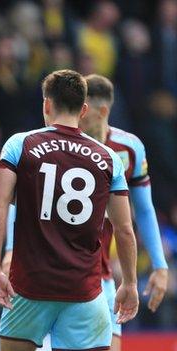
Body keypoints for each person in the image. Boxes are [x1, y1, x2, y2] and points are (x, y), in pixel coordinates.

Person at [0, 69, 139, 351]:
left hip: (29, 288)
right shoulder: (108, 158)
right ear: (83, 110)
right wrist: (129, 283)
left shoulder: (21, 144)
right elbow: (124, 228)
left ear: (46, 104)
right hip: (84, 291)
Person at [79, 74, 168, 350]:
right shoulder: (63, 144)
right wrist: (10, 250)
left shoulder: (129, 147)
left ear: (102, 111)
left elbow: (144, 209)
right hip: (61, 262)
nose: (78, 114)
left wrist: (160, 265)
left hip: (103, 269)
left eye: (84, 108)